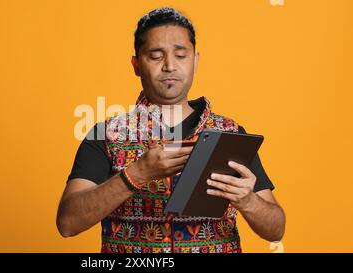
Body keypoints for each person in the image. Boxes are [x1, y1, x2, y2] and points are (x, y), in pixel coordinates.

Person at [57, 7, 285, 253]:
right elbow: (68, 223)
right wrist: (137, 174)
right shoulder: (106, 135)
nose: (169, 66)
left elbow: (275, 229)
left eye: (181, 55)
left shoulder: (231, 133)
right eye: (156, 56)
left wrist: (248, 201)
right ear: (136, 65)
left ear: (195, 61)